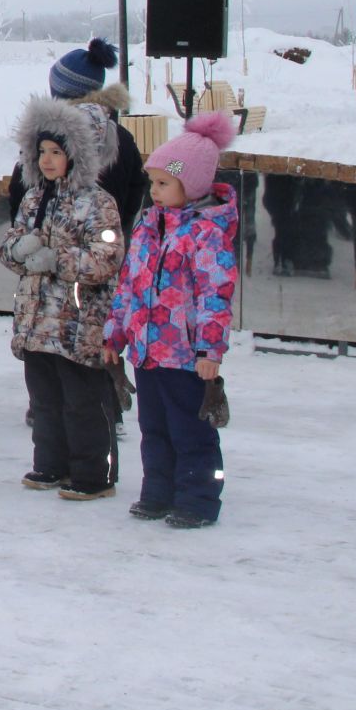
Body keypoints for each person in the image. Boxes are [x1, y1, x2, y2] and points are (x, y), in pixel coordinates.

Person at [105, 112, 239, 528]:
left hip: (185, 357)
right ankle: (158, 491)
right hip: (147, 352)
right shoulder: (148, 226)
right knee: (154, 427)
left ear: (192, 184)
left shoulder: (206, 234)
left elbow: (215, 297)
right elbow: (129, 283)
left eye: (165, 183)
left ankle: (198, 498)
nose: (155, 192)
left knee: (191, 431)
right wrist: (116, 333)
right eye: (154, 183)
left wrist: (209, 350)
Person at [0, 97, 126, 499]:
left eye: (57, 152)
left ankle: (92, 473)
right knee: (45, 400)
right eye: (42, 152)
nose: (48, 160)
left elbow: (106, 258)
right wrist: (19, 251)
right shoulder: (34, 198)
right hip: (37, 321)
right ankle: (50, 464)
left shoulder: (99, 203)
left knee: (82, 403)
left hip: (77, 322)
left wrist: (59, 259)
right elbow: (9, 246)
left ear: (77, 155)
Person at [5, 38, 146, 229]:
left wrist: (22, 231)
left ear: (59, 92)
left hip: (49, 241)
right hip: (107, 243)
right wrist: (119, 223)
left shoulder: (47, 134)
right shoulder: (121, 136)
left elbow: (21, 188)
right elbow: (138, 185)